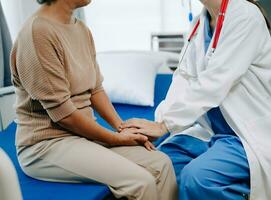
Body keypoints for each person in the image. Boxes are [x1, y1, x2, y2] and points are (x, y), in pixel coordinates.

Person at [120, 0, 271, 199]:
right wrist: (158, 124)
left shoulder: (245, 15)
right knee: (163, 163)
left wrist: (166, 125)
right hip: (211, 132)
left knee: (198, 178)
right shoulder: (200, 22)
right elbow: (183, 79)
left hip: (248, 136)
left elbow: (216, 80)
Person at [10, 0, 177, 199]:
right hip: (46, 145)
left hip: (82, 137)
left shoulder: (80, 29)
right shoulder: (37, 33)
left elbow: (95, 89)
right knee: (141, 182)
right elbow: (63, 114)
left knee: (162, 164)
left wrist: (122, 128)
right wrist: (115, 139)